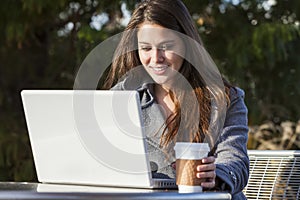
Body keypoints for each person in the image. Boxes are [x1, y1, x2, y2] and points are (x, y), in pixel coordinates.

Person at [102, 0, 249, 199]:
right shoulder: (123, 96)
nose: (156, 58)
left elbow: (235, 161)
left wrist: (217, 176)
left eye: (166, 46)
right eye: (146, 48)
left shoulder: (223, 98)